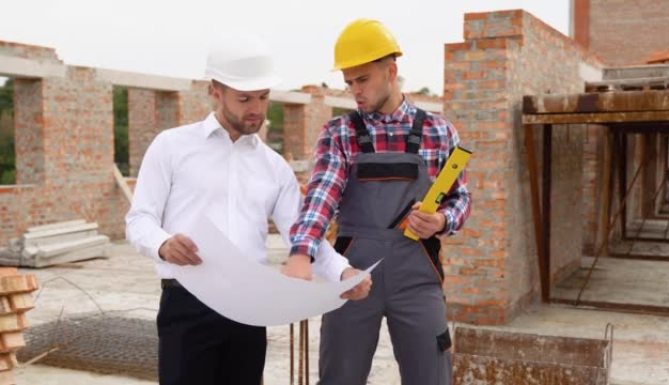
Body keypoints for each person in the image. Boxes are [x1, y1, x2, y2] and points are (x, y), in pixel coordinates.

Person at [125, 33, 370, 385]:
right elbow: (139, 219)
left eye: (263, 97)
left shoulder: (274, 167)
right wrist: (162, 243)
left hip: (249, 309)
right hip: (188, 303)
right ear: (215, 91)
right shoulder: (172, 147)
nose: (255, 108)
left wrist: (344, 273)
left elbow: (302, 234)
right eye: (244, 98)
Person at [283, 19, 472, 385]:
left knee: (432, 376)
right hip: (352, 276)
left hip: (418, 280)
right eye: (349, 82)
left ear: (391, 71)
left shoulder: (438, 131)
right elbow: (320, 196)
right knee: (340, 377)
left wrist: (442, 220)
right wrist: (301, 253)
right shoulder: (339, 133)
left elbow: (461, 198)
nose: (355, 91)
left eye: (362, 79)